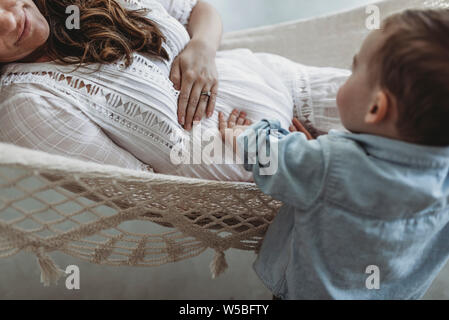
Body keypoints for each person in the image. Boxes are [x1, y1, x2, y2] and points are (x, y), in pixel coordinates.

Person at [219, 9, 449, 299]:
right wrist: (319, 151)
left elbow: (271, 157)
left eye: (354, 71)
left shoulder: (331, 164)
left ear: (375, 108)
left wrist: (242, 136)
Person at [0, 0, 349, 181]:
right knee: (382, 184)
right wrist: (289, 158)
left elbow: (198, 9)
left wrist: (203, 48)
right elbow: (145, 189)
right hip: (265, 172)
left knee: (400, 103)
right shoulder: (27, 103)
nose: (11, 21)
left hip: (284, 82)